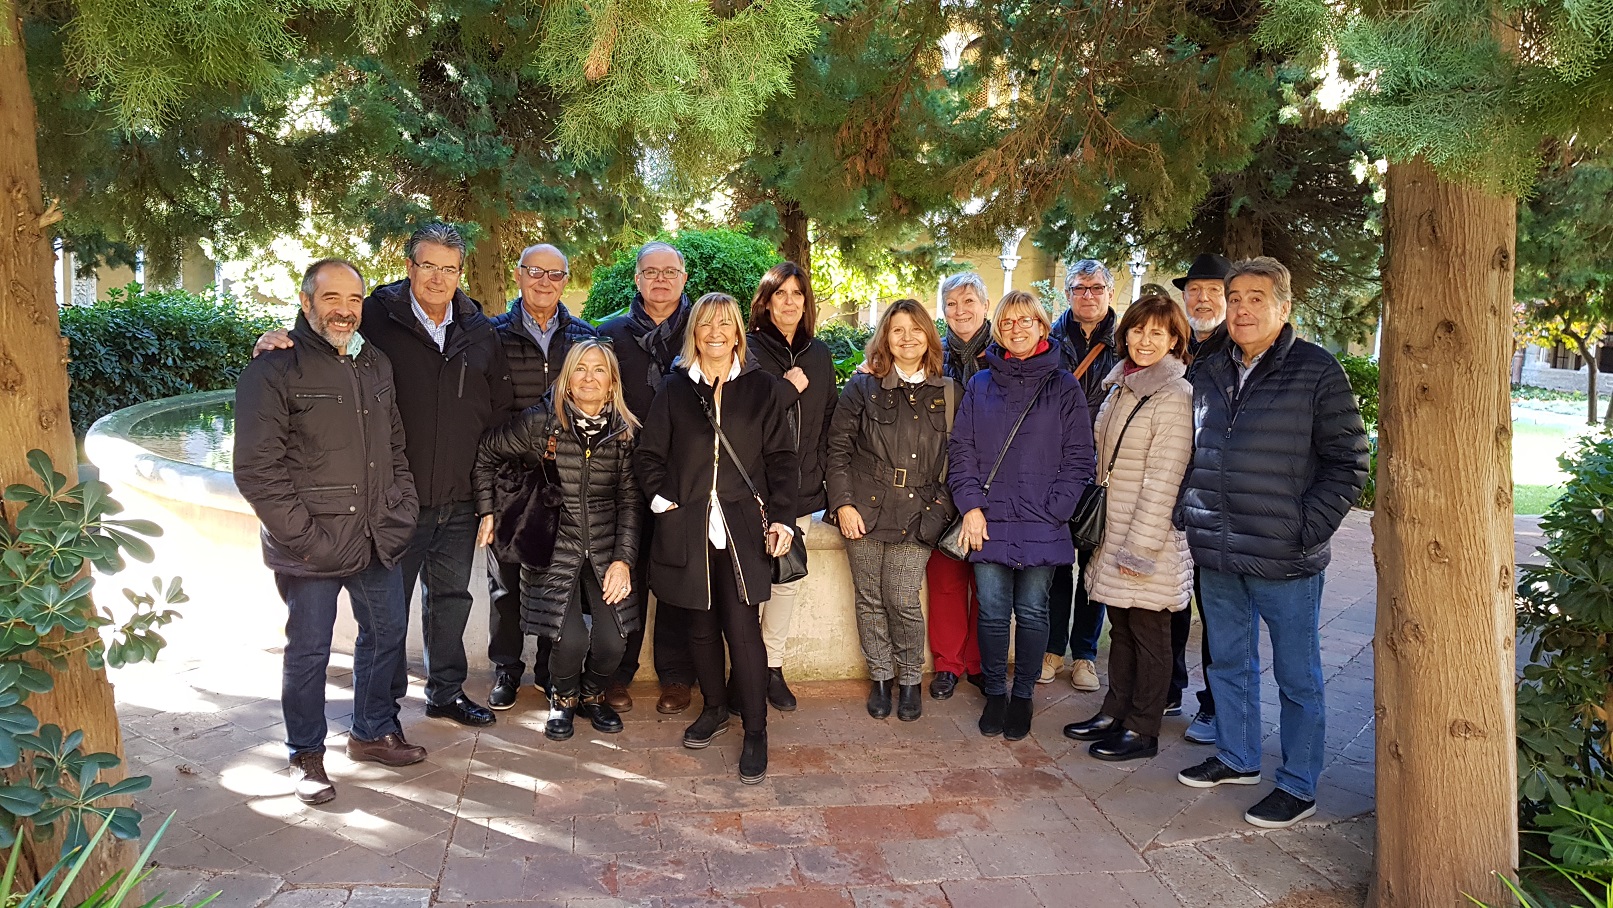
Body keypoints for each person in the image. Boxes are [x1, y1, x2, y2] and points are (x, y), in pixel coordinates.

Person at [253, 223, 514, 730]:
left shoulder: (479, 331)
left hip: (459, 499)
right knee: (387, 613)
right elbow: (320, 338)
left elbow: (496, 415)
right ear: (410, 266)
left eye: (449, 268)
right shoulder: (374, 316)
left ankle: (446, 692)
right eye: (428, 265)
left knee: (451, 599)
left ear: (460, 273)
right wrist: (275, 339)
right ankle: (383, 708)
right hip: (392, 500)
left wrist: (489, 496)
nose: (438, 278)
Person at [1174, 257, 1368, 829]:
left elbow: (1348, 463)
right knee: (1228, 662)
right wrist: (1192, 508)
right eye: (1235, 298)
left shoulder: (1316, 370)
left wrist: (1305, 529)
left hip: (1285, 555)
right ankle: (1237, 757)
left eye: (1256, 298)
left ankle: (1298, 783)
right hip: (1218, 548)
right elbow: (1196, 449)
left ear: (1283, 308)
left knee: (1297, 675)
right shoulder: (1210, 370)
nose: (1242, 309)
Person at [234, 259, 425, 805]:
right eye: (332, 298)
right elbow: (257, 469)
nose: (344, 310)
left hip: (375, 535)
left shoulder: (374, 363)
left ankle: (372, 731)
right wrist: (304, 538)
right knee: (310, 652)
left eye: (354, 299)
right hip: (310, 544)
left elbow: (394, 445)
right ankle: (306, 754)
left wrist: (401, 506)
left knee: (386, 633)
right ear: (306, 302)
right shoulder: (274, 368)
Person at [635, 292, 798, 784]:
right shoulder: (675, 389)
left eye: (725, 324)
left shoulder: (761, 388)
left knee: (742, 629)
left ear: (737, 333)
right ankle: (714, 708)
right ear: (694, 332)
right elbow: (649, 456)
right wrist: (663, 501)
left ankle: (756, 730)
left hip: (742, 528)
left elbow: (781, 460)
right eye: (706, 324)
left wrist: (783, 519)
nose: (715, 333)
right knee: (700, 627)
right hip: (687, 527)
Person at [473, 340, 643, 741]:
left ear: (612, 382)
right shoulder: (540, 423)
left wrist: (623, 560)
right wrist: (487, 509)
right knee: (571, 640)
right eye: (580, 369)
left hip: (605, 549)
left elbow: (630, 500)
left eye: (599, 370)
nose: (589, 378)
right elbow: (486, 453)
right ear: (566, 379)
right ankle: (563, 698)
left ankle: (592, 695)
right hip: (551, 547)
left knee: (613, 641)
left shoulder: (624, 433)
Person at [949, 290, 1094, 741]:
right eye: (1008, 322)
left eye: (1026, 320)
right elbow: (961, 452)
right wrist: (970, 507)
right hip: (989, 519)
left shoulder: (1063, 386)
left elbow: (1080, 457)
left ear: (1042, 326)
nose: (1016, 329)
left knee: (1032, 611)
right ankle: (996, 693)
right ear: (998, 329)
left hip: (1042, 520)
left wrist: (1057, 509)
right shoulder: (981, 384)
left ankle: (1024, 695)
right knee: (992, 612)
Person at [1061, 295, 1195, 762]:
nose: (1145, 340)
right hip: (1114, 530)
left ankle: (1143, 728)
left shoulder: (1173, 395)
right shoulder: (1124, 384)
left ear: (1174, 341)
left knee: (1149, 635)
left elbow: (1165, 480)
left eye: (1158, 332)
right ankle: (1115, 710)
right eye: (1138, 330)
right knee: (1121, 628)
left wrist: (1139, 548)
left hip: (1148, 539)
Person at [485, 243, 599, 711]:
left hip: (565, 483)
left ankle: (551, 672)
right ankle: (506, 669)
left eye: (555, 274)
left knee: (559, 581)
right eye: (535, 271)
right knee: (506, 584)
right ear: (518, 275)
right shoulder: (491, 335)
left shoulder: (585, 335)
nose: (544, 281)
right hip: (510, 481)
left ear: (565, 281)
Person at [826, 299, 953, 722]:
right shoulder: (862, 387)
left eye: (916, 329)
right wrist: (843, 504)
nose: (907, 338)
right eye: (898, 330)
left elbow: (961, 462)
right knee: (869, 598)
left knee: (900, 597)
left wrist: (936, 515)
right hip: (864, 508)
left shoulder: (950, 392)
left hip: (920, 512)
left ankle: (910, 679)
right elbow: (837, 450)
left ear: (928, 336)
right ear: (885, 338)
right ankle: (881, 678)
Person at [596, 242, 700, 715]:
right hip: (623, 475)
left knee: (677, 572)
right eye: (651, 272)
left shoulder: (701, 330)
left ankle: (676, 674)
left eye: (669, 272)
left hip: (684, 475)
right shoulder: (610, 334)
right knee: (627, 571)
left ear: (684, 279)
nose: (660, 279)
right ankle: (618, 671)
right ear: (637, 280)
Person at [745, 262, 836, 712]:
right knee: (748, 582)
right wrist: (784, 389)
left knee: (785, 581)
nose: (789, 302)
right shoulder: (747, 350)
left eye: (797, 294)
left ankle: (772, 667)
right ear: (765, 302)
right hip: (750, 491)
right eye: (779, 293)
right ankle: (745, 668)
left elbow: (829, 423)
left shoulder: (819, 355)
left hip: (800, 491)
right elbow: (741, 416)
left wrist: (823, 481)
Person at [1045, 260, 1119, 694]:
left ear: (1110, 292)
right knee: (1057, 564)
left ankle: (1085, 655)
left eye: (1096, 288)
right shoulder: (1049, 341)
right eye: (1079, 288)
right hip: (1054, 469)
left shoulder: (1127, 343)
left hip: (1104, 471)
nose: (1087, 295)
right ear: (1068, 294)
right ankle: (1053, 649)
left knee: (1094, 568)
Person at [1172, 252, 1232, 745]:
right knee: (1169, 601)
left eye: (1214, 290)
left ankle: (1215, 707)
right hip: (1171, 496)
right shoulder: (1176, 345)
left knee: (1215, 610)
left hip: (1215, 500)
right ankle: (1168, 687)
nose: (1203, 299)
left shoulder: (1238, 351)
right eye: (1195, 290)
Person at [927, 272, 991, 700]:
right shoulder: (932, 356)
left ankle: (979, 662)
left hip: (994, 484)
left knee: (987, 582)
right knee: (946, 578)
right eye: (951, 303)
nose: (960, 311)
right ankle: (948, 664)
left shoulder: (1005, 354)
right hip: (941, 482)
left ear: (986, 306)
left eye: (969, 301)